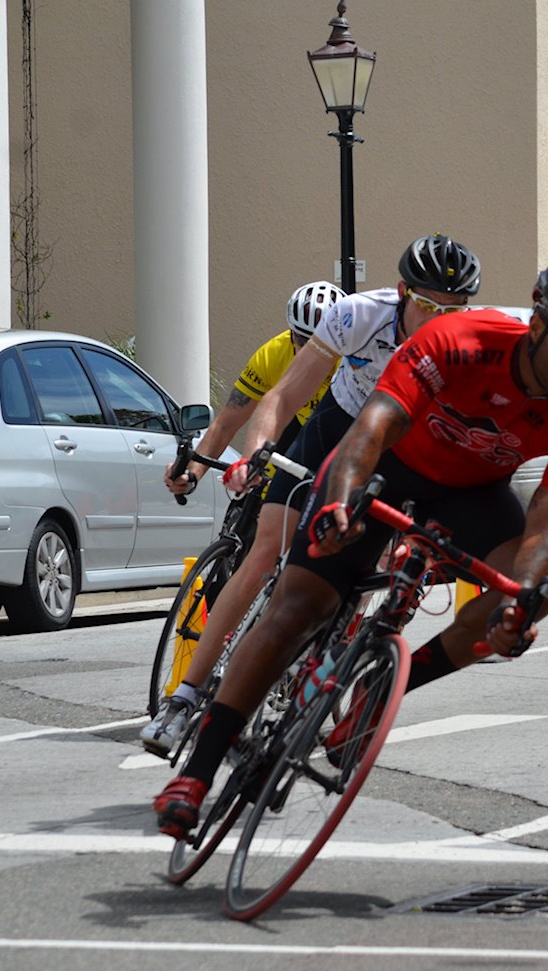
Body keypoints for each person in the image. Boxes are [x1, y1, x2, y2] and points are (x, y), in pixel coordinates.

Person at [153, 252, 548, 840]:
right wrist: (338, 502)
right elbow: (373, 425)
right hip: (387, 466)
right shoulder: (461, 339)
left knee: (543, 587)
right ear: (537, 327)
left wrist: (520, 596)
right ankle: (196, 773)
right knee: (299, 607)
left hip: (473, 494)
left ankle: (379, 694)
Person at [140, 236, 480, 757]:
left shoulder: (466, 347)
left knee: (360, 569)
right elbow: (282, 396)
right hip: (337, 424)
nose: (437, 319)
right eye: (428, 305)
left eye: (451, 310)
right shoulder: (358, 316)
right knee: (265, 549)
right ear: (402, 292)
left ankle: (317, 665)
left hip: (396, 443)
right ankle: (184, 699)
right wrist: (257, 453)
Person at [141, 282, 345, 752]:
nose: (307, 349)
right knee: (255, 537)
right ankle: (195, 685)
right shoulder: (274, 355)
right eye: (298, 339)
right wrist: (195, 470)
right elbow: (229, 422)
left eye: (319, 340)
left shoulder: (350, 364)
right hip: (289, 437)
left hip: (338, 441)